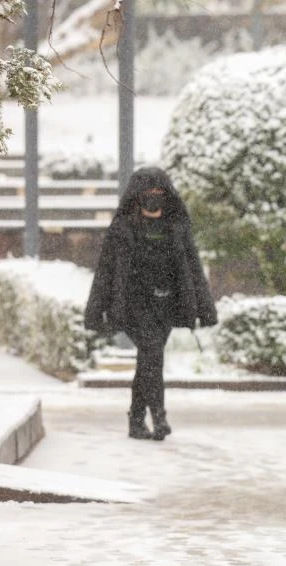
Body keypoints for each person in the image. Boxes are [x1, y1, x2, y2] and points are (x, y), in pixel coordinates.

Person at [84, 166, 217, 441]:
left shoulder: (176, 226)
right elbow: (105, 271)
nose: (154, 198)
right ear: (138, 196)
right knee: (152, 352)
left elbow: (192, 267)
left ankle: (136, 420)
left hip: (165, 305)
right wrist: (96, 311)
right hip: (133, 305)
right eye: (149, 193)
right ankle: (159, 416)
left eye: (159, 193)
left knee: (149, 360)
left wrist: (204, 308)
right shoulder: (123, 228)